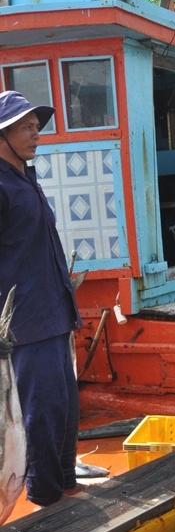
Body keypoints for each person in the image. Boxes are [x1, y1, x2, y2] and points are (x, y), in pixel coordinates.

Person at [0, 90, 81, 507]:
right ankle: (47, 500)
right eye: (26, 128)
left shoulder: (25, 178)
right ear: (3, 133)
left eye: (36, 127)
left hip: (54, 312)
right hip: (26, 323)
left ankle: (65, 483)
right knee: (41, 412)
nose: (36, 135)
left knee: (64, 407)